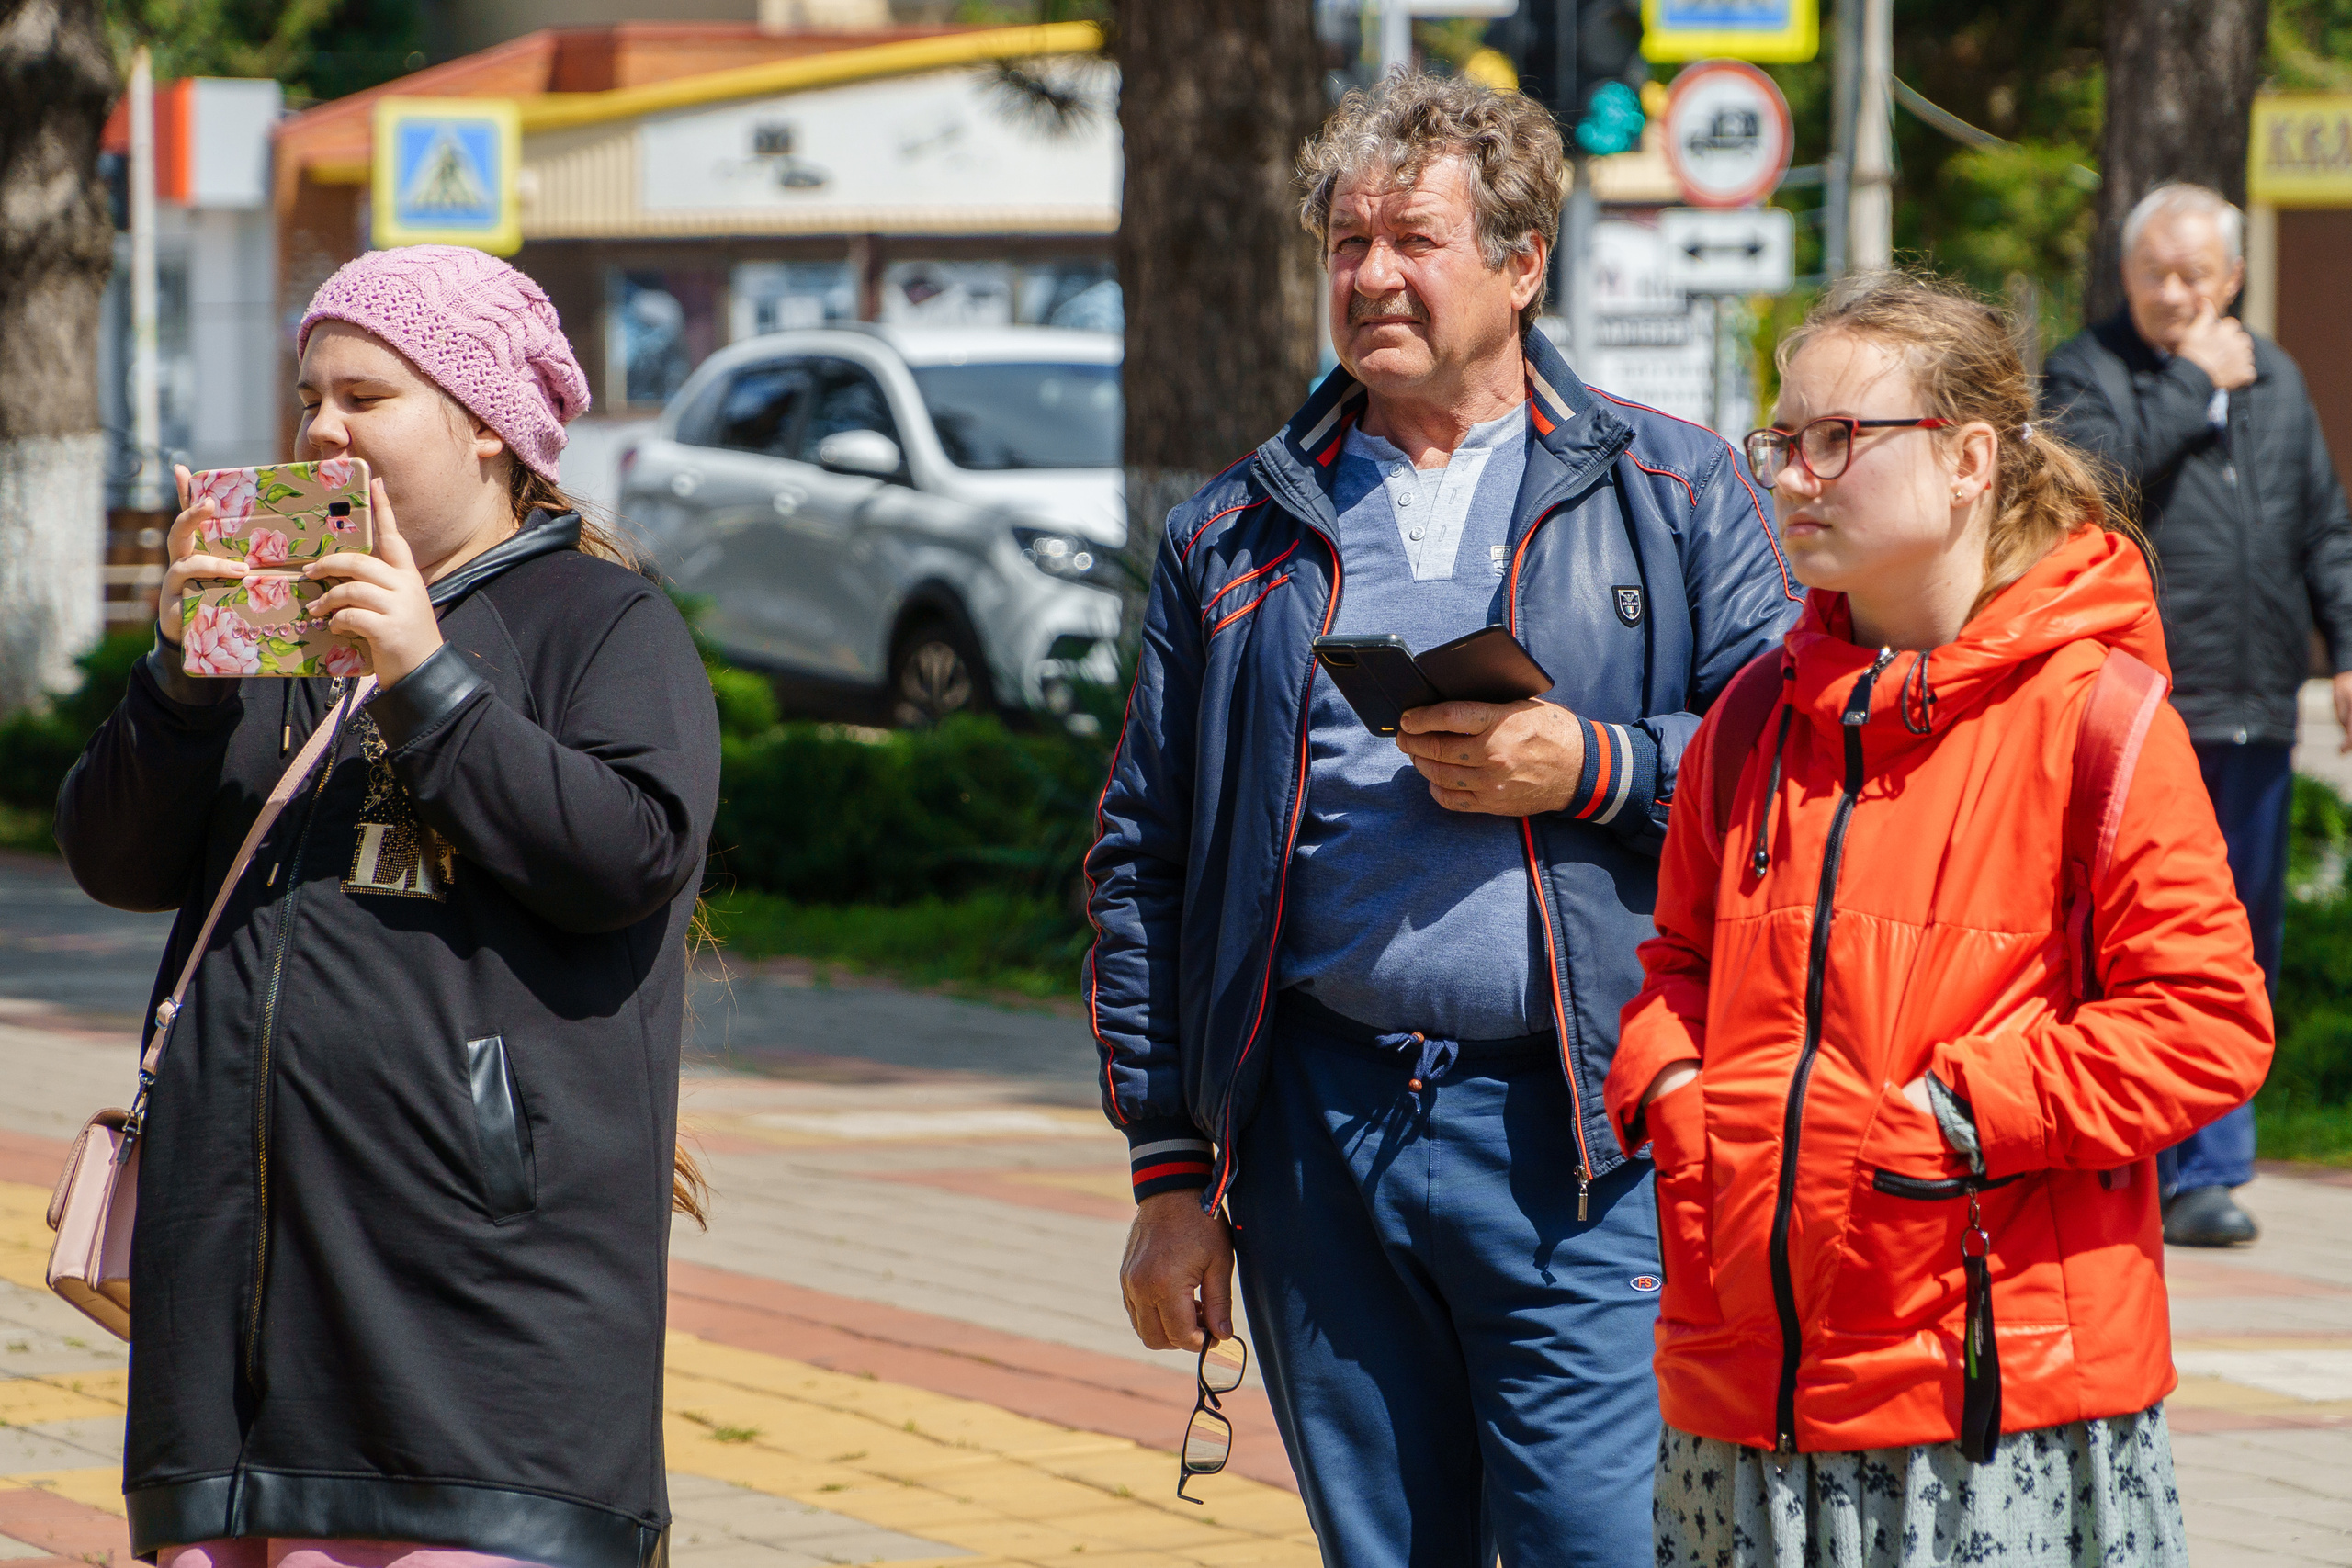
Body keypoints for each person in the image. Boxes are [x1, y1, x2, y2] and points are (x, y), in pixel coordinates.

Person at [1086, 73, 1798, 1565]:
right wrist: (1169, 1174)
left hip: (1583, 1137)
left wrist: (1591, 764)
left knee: (1596, 1543)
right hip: (1317, 1135)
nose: (1370, 277)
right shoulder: (1233, 532)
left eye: (1413, 239)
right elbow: (1146, 858)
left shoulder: (1675, 493)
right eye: (1345, 244)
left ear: (1524, 262)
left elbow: (1785, 778)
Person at [56, 245, 721, 1568]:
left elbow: (631, 852)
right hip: (232, 1353)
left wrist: (430, 681)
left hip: (472, 1356)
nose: (319, 428)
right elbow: (116, 859)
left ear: (485, 425)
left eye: (366, 395)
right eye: (309, 395)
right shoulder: (283, 623)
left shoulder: (597, 622)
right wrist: (182, 684)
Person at [1614, 270, 2273, 1566]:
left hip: (1988, 1403)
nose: (1796, 477)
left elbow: (2206, 1024)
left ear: (1972, 457)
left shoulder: (2099, 716)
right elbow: (1676, 962)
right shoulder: (1751, 718)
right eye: (1783, 441)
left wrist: (1950, 1115)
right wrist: (1676, 1088)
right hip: (1740, 1388)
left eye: (1839, 439)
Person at [2042, 183, 2352, 1246]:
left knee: (2237, 939)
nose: (2172, 293)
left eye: (2192, 275)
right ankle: (2145, 1156)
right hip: (2138, 708)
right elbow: (2090, 483)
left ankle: (2213, 1163)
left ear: (2231, 278)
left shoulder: (2276, 374)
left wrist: (2345, 651)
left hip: (2256, 704)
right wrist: (2185, 381)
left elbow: (2323, 528)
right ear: (2124, 276)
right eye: (2152, 274)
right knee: (2132, 933)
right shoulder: (2088, 370)